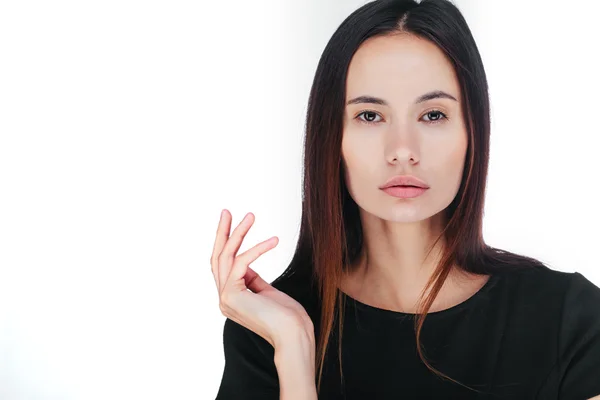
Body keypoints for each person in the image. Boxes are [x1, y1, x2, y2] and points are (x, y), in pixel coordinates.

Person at [211, 0, 600, 398]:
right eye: (369, 116)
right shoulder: (270, 327)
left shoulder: (568, 320)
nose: (402, 149)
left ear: (472, 132)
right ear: (332, 139)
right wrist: (293, 352)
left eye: (433, 115)